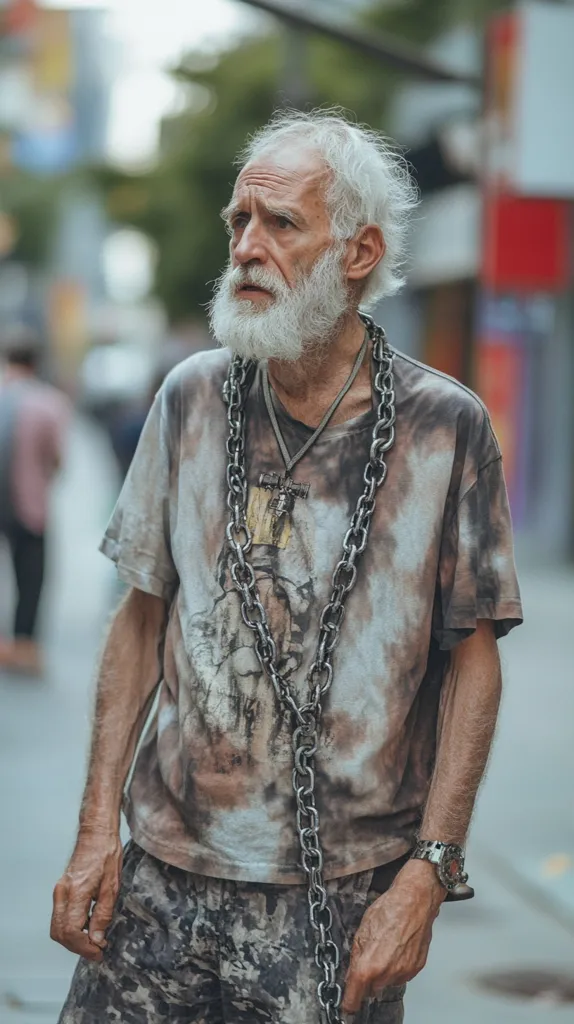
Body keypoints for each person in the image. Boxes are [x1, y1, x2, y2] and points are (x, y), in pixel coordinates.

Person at [51, 110, 523, 1024]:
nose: (247, 247)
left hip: (336, 895)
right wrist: (93, 831)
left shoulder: (443, 427)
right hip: (161, 874)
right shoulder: (190, 397)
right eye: (239, 222)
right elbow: (140, 620)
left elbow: (474, 664)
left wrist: (427, 876)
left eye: (280, 224)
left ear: (359, 253)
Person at [0, 328, 70, 674]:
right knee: (30, 576)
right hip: (28, 503)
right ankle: (23, 643)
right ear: (36, 363)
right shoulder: (49, 403)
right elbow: (56, 460)